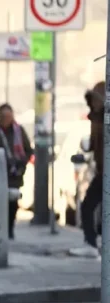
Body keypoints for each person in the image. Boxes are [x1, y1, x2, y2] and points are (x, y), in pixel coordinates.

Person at [70, 81, 105, 258]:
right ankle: (90, 243)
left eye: (97, 99)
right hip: (102, 171)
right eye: (93, 100)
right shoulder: (95, 118)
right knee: (87, 206)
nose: (95, 103)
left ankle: (92, 243)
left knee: (91, 206)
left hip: (105, 171)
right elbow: (93, 144)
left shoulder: (104, 118)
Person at [0, 103, 33, 240]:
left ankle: (10, 228)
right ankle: (0, 227)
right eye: (3, 117)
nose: (6, 119)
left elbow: (28, 150)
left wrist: (21, 163)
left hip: (15, 174)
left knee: (12, 203)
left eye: (8, 116)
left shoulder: (19, 130)